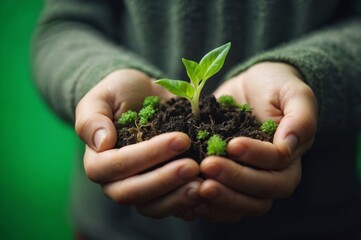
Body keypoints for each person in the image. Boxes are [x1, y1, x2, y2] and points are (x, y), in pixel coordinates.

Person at [32, 0, 361, 239]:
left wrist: (309, 77)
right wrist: (98, 76)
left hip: (314, 223)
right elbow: (63, 27)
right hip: (117, 228)